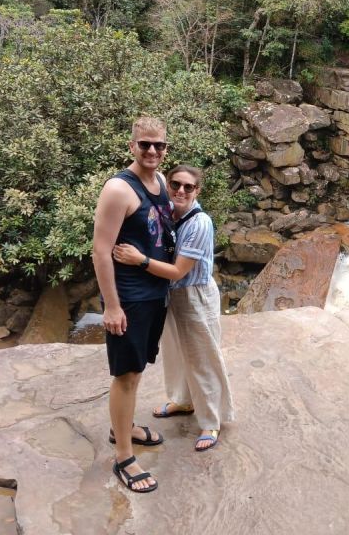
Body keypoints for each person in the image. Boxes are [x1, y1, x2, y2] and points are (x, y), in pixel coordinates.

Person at [113, 164, 235, 453]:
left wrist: (139, 260)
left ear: (197, 191)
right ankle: (183, 399)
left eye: (188, 187)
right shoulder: (170, 211)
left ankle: (211, 421)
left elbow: (179, 271)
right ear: (168, 185)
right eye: (175, 184)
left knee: (202, 358)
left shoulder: (199, 223)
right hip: (172, 295)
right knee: (177, 353)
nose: (180, 190)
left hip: (194, 295)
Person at [93, 116, 174, 493]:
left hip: (154, 294)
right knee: (125, 375)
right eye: (145, 144)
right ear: (132, 146)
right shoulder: (118, 189)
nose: (153, 151)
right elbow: (100, 250)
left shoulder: (159, 182)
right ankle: (124, 457)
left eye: (159, 145)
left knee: (136, 369)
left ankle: (121, 428)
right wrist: (112, 306)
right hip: (130, 297)